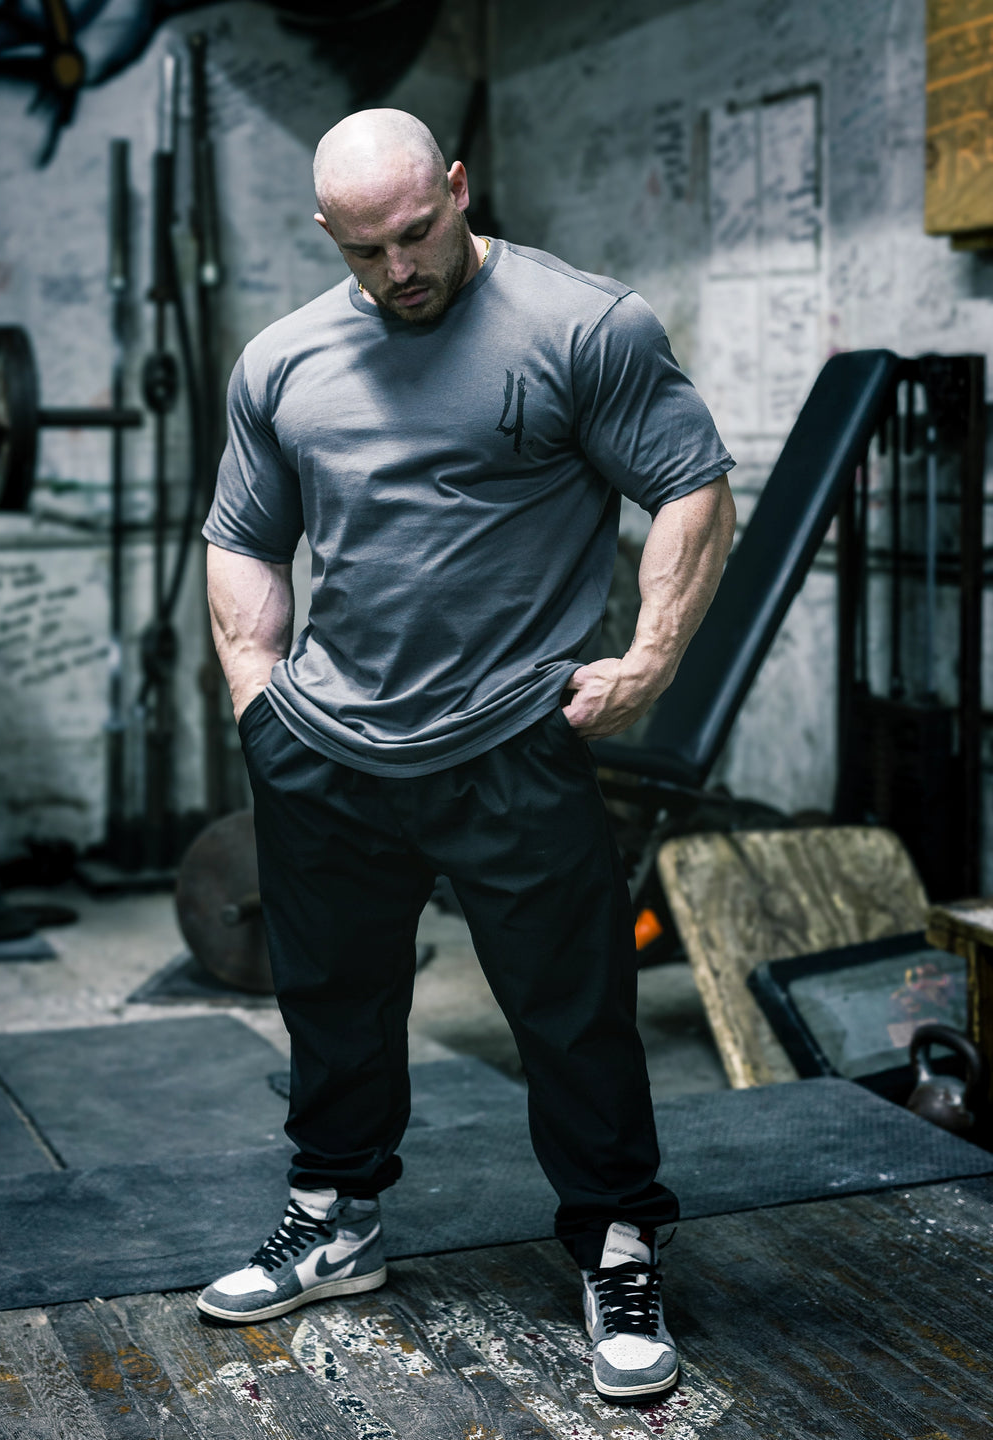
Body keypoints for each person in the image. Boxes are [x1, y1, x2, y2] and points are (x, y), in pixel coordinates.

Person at [197, 108, 736, 1402]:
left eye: (420, 230)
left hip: (510, 740)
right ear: (327, 234)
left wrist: (650, 659)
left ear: (457, 184)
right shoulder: (283, 360)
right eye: (368, 248)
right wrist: (258, 702)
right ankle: (335, 1217)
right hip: (327, 748)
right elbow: (244, 535)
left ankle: (615, 1246)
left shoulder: (581, 326)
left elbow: (693, 485)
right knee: (330, 1000)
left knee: (575, 1010)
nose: (402, 268)